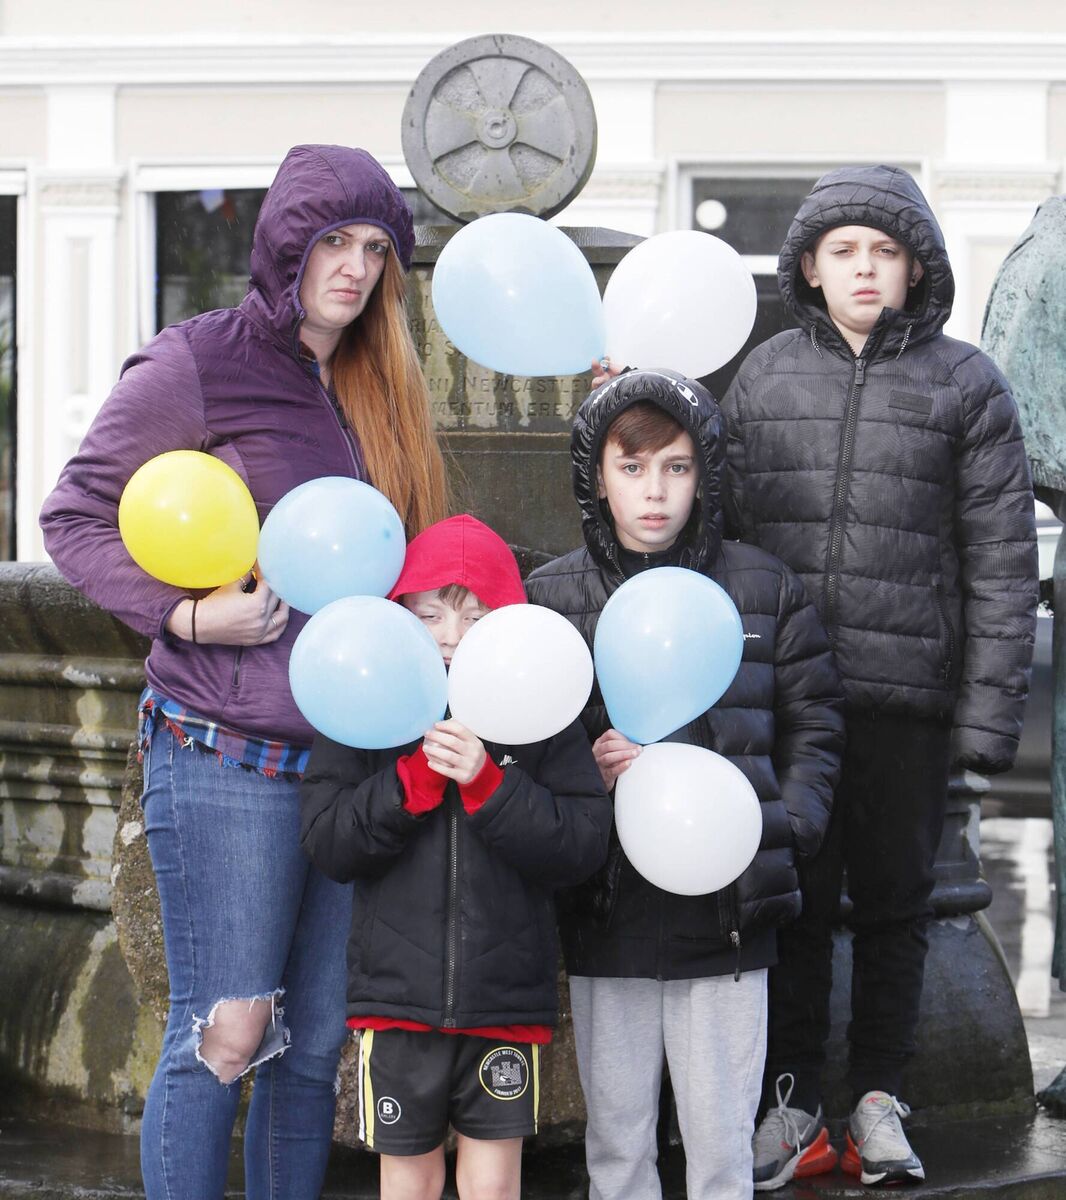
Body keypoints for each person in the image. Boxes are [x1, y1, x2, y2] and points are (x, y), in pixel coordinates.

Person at [39, 144, 449, 1200]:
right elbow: (76, 515)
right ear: (285, 242)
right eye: (333, 243)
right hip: (226, 756)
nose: (354, 269)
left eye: (374, 250)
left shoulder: (378, 387)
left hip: (348, 768)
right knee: (226, 1033)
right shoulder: (199, 362)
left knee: (312, 1052)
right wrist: (183, 613)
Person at [720, 164, 1039, 1189]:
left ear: (914, 269)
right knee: (793, 901)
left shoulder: (964, 384)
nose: (864, 270)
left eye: (884, 253)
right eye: (844, 252)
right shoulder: (764, 378)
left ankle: (878, 1100)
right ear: (810, 267)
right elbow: (719, 533)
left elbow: (1001, 563)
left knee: (898, 904)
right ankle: (795, 1102)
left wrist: (987, 715)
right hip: (790, 700)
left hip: (907, 700)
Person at [524, 368, 845, 1200]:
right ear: (597, 475)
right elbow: (522, 744)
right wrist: (582, 775)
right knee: (618, 1147)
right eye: (632, 470)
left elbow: (815, 720)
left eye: (675, 466)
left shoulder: (763, 588)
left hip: (731, 917)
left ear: (705, 470)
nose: (655, 492)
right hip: (608, 912)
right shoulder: (552, 599)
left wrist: (785, 824)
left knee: (721, 1152)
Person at [299, 514, 611, 1200]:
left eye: (474, 616)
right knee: (407, 1181)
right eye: (432, 613)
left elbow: (581, 843)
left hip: (504, 998)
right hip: (397, 1000)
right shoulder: (364, 707)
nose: (449, 636)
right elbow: (328, 840)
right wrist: (408, 786)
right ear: (401, 611)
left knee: (493, 1185)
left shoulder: (541, 714)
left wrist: (490, 786)